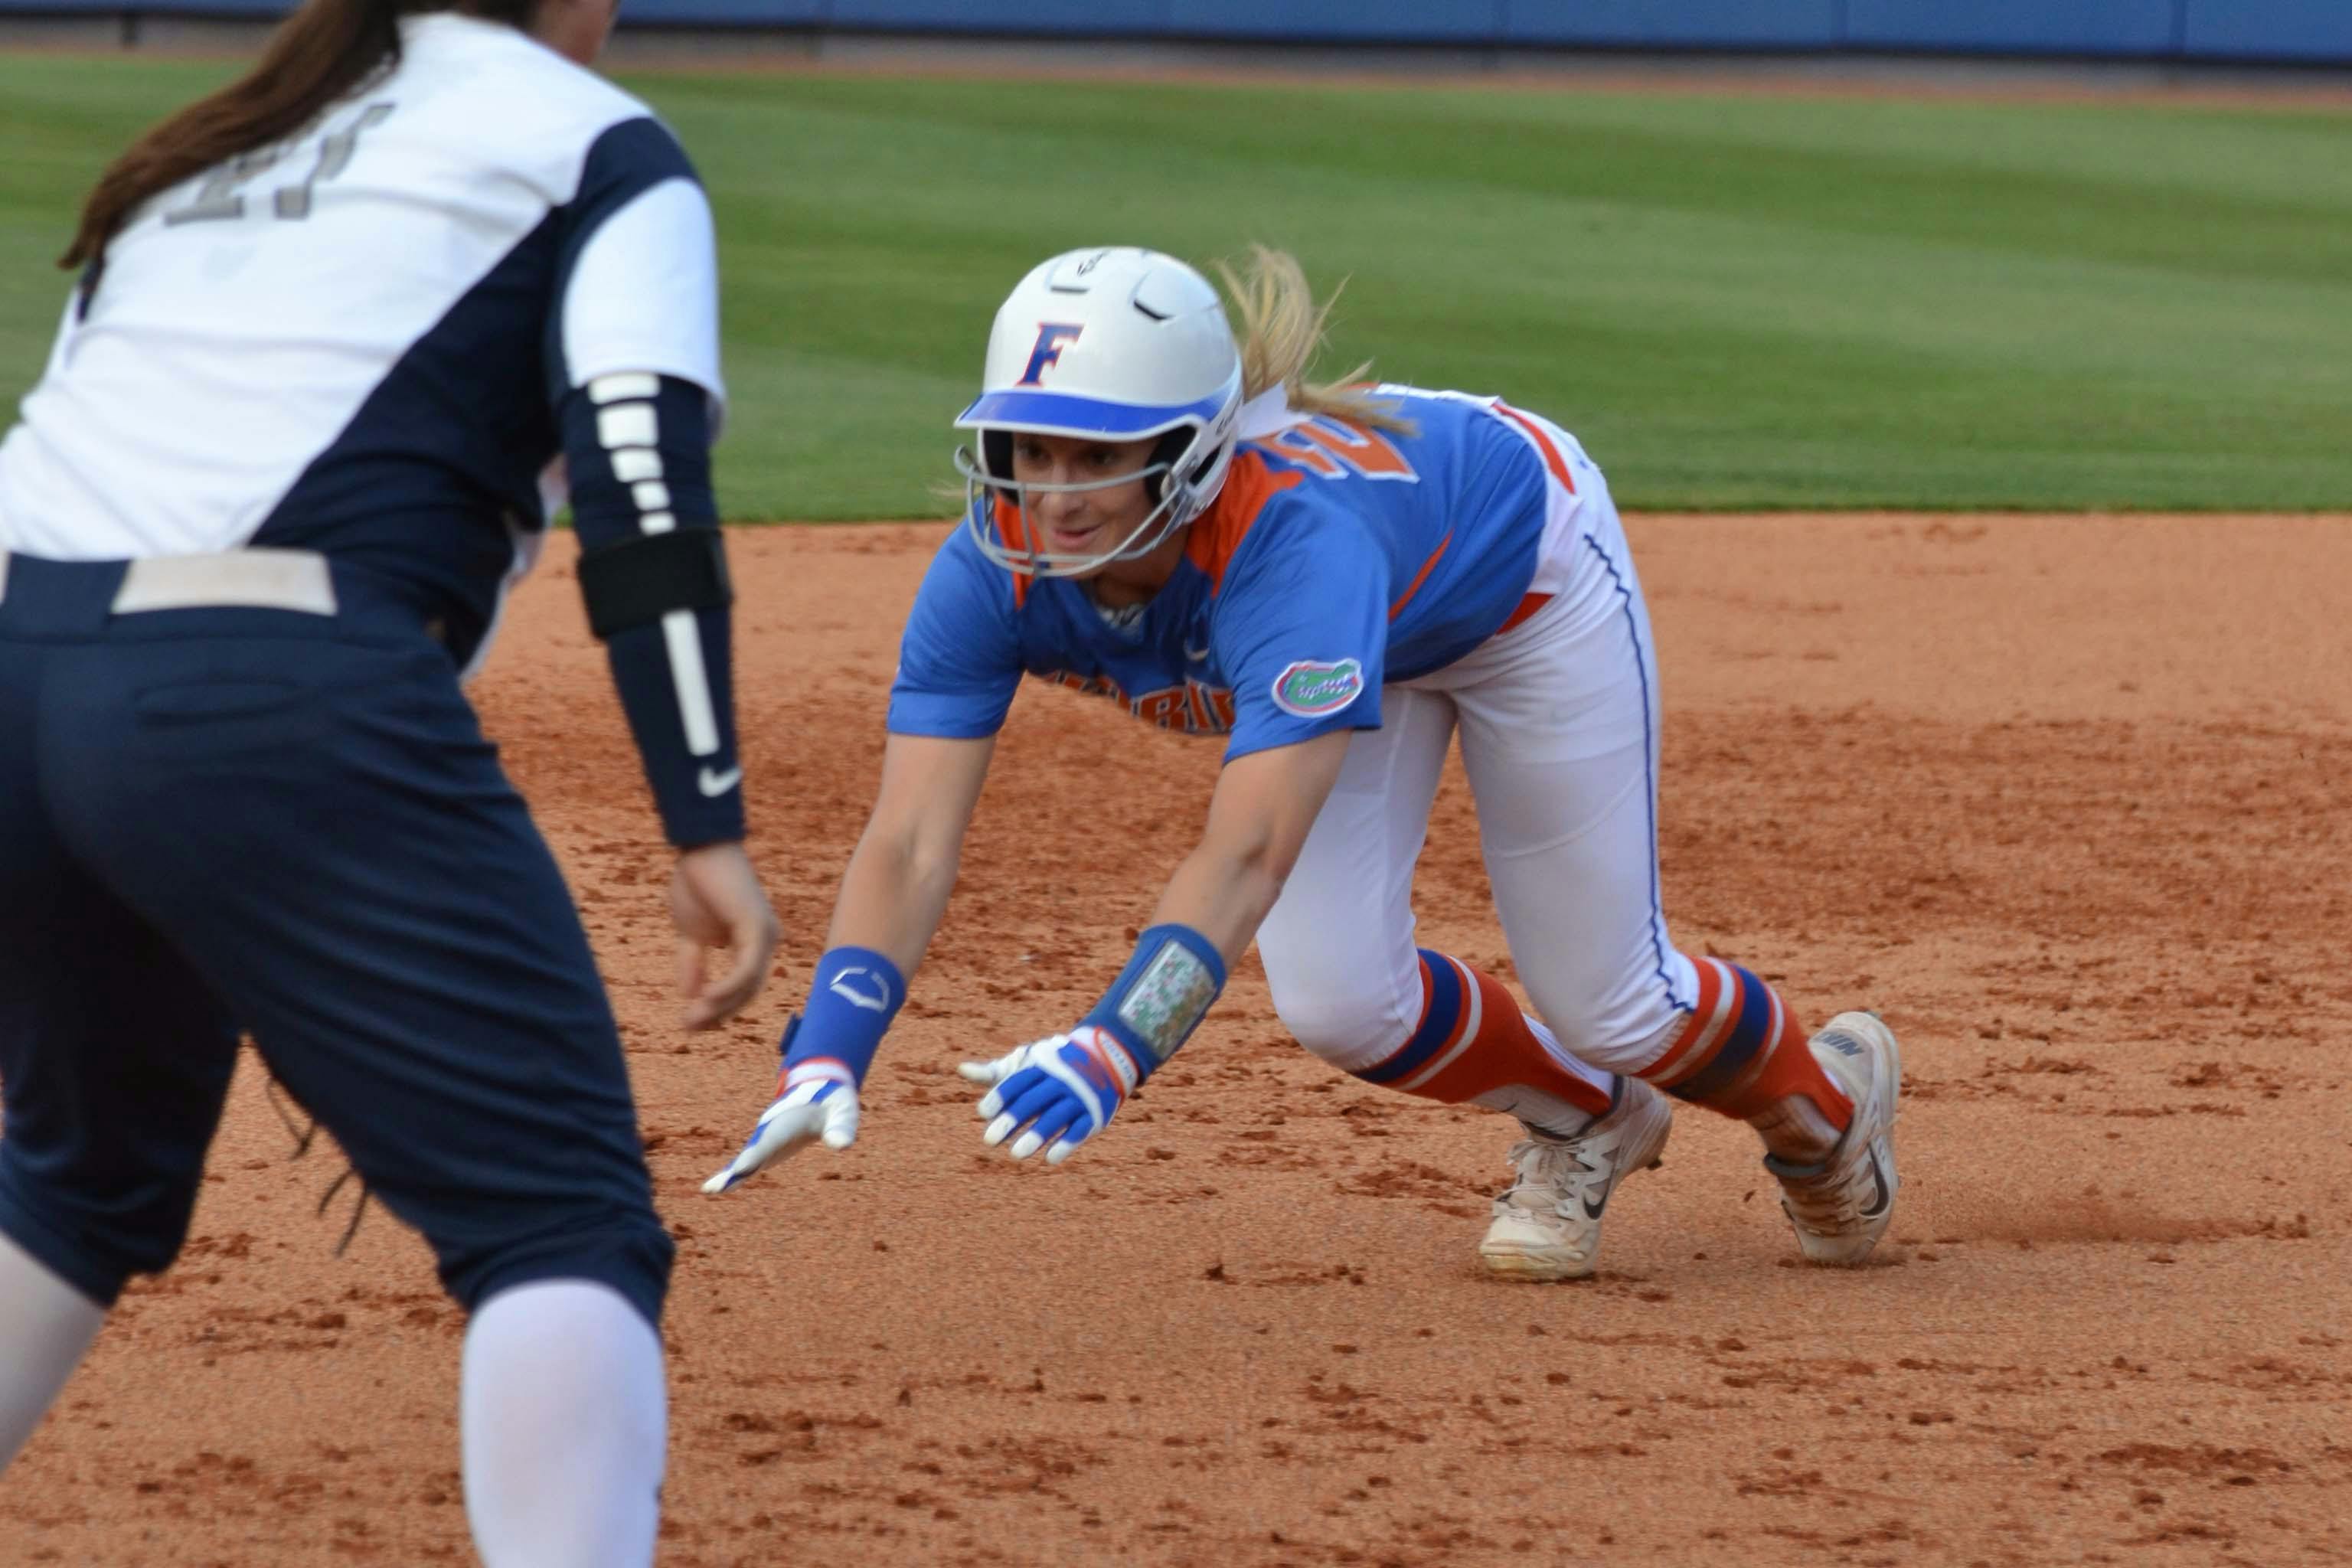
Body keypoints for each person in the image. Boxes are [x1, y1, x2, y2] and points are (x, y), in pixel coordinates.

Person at [704, 244, 1898, 1282]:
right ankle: (1592, 1119)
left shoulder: (1292, 548)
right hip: (1351, 633)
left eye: (1098, 456)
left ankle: (1826, 1107)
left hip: (1519, 587)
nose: (1053, 495)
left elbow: (1251, 847)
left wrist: (1116, 1042)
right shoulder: (992, 565)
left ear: (1190, 451)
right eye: (1031, 447)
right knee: (1340, 1003)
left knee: (1609, 996)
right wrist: (824, 1050)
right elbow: (909, 840)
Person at [0, 0, 777, 1561]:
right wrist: (706, 818)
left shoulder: (217, 140)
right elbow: (641, 474)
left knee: (77, 1183)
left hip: (21, 668)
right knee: (558, 1219)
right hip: (256, 682)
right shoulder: (602, 149)